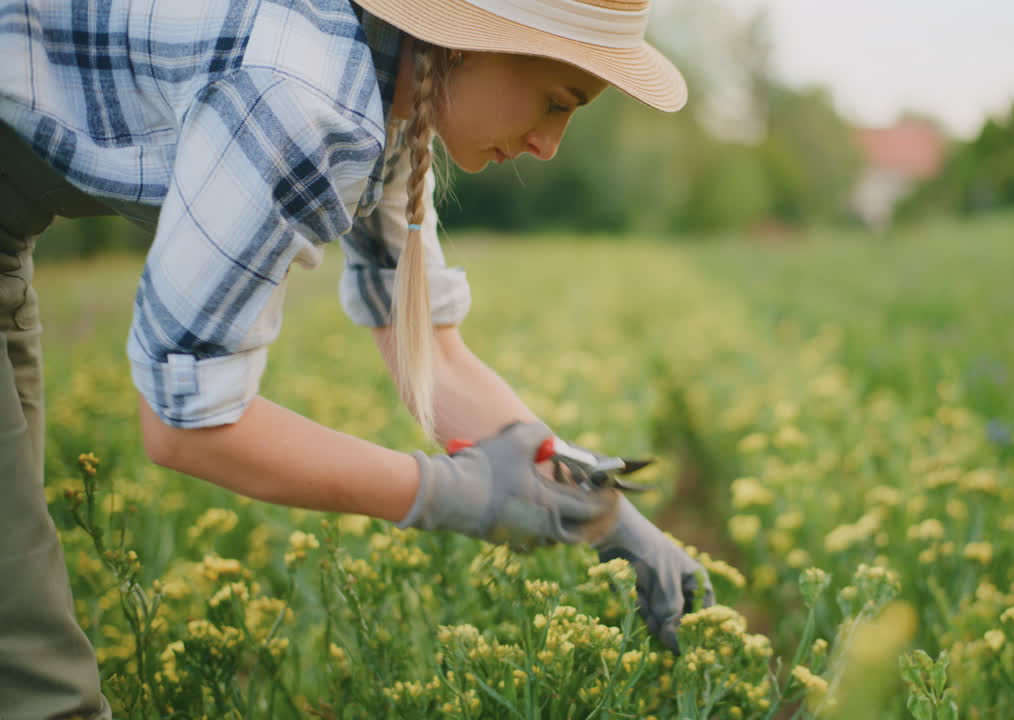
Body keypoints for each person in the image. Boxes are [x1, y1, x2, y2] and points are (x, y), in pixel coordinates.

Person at [0, 0, 713, 716]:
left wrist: (598, 505)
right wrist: (452, 494)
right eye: (557, 102)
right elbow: (186, 424)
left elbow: (432, 353)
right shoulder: (302, 96)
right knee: (41, 677)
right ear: (465, 43)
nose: (550, 144)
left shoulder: (396, 91)